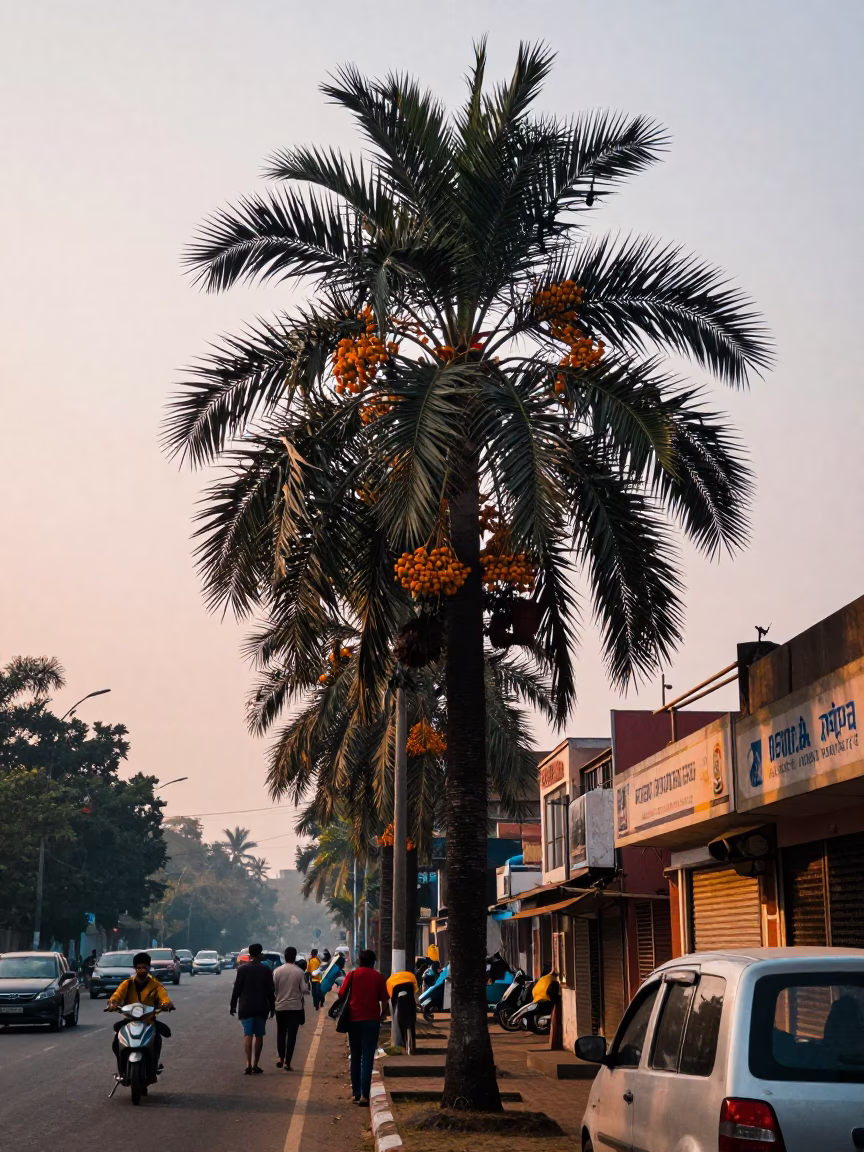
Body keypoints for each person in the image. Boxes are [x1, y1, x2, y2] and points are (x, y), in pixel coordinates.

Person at [107, 952, 174, 1079]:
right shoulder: (127, 984)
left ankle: (153, 1068)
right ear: (135, 968)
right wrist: (113, 1003)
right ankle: (121, 1071)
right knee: (116, 1040)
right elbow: (117, 995)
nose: (142, 970)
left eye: (145, 967)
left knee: (158, 1039)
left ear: (149, 968)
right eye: (139, 967)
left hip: (149, 1022)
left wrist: (166, 1004)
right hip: (129, 1020)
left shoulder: (156, 985)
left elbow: (163, 996)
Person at [338, 949, 388, 1105]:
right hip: (372, 1020)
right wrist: (382, 1014)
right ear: (373, 962)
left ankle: (356, 1093)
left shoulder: (352, 975)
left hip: (354, 1020)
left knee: (355, 1055)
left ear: (359, 961)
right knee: (367, 1057)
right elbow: (385, 1000)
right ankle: (366, 1095)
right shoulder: (378, 977)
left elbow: (341, 994)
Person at [230, 942, 276, 1075]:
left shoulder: (242, 969)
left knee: (248, 1034)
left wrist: (233, 1005)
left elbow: (237, 989)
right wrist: (272, 1007)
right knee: (259, 1035)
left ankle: (248, 1064)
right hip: (262, 1007)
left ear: (249, 954)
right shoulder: (265, 970)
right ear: (260, 954)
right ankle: (256, 1064)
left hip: (246, 1006)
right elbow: (270, 990)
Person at [273, 946, 307, 1070]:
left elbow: (274, 989)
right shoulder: (299, 972)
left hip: (280, 1006)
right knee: (292, 1035)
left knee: (281, 1033)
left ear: (285, 956)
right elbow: (304, 989)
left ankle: (280, 1058)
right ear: (295, 957)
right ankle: (288, 1062)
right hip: (295, 1007)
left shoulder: (277, 971)